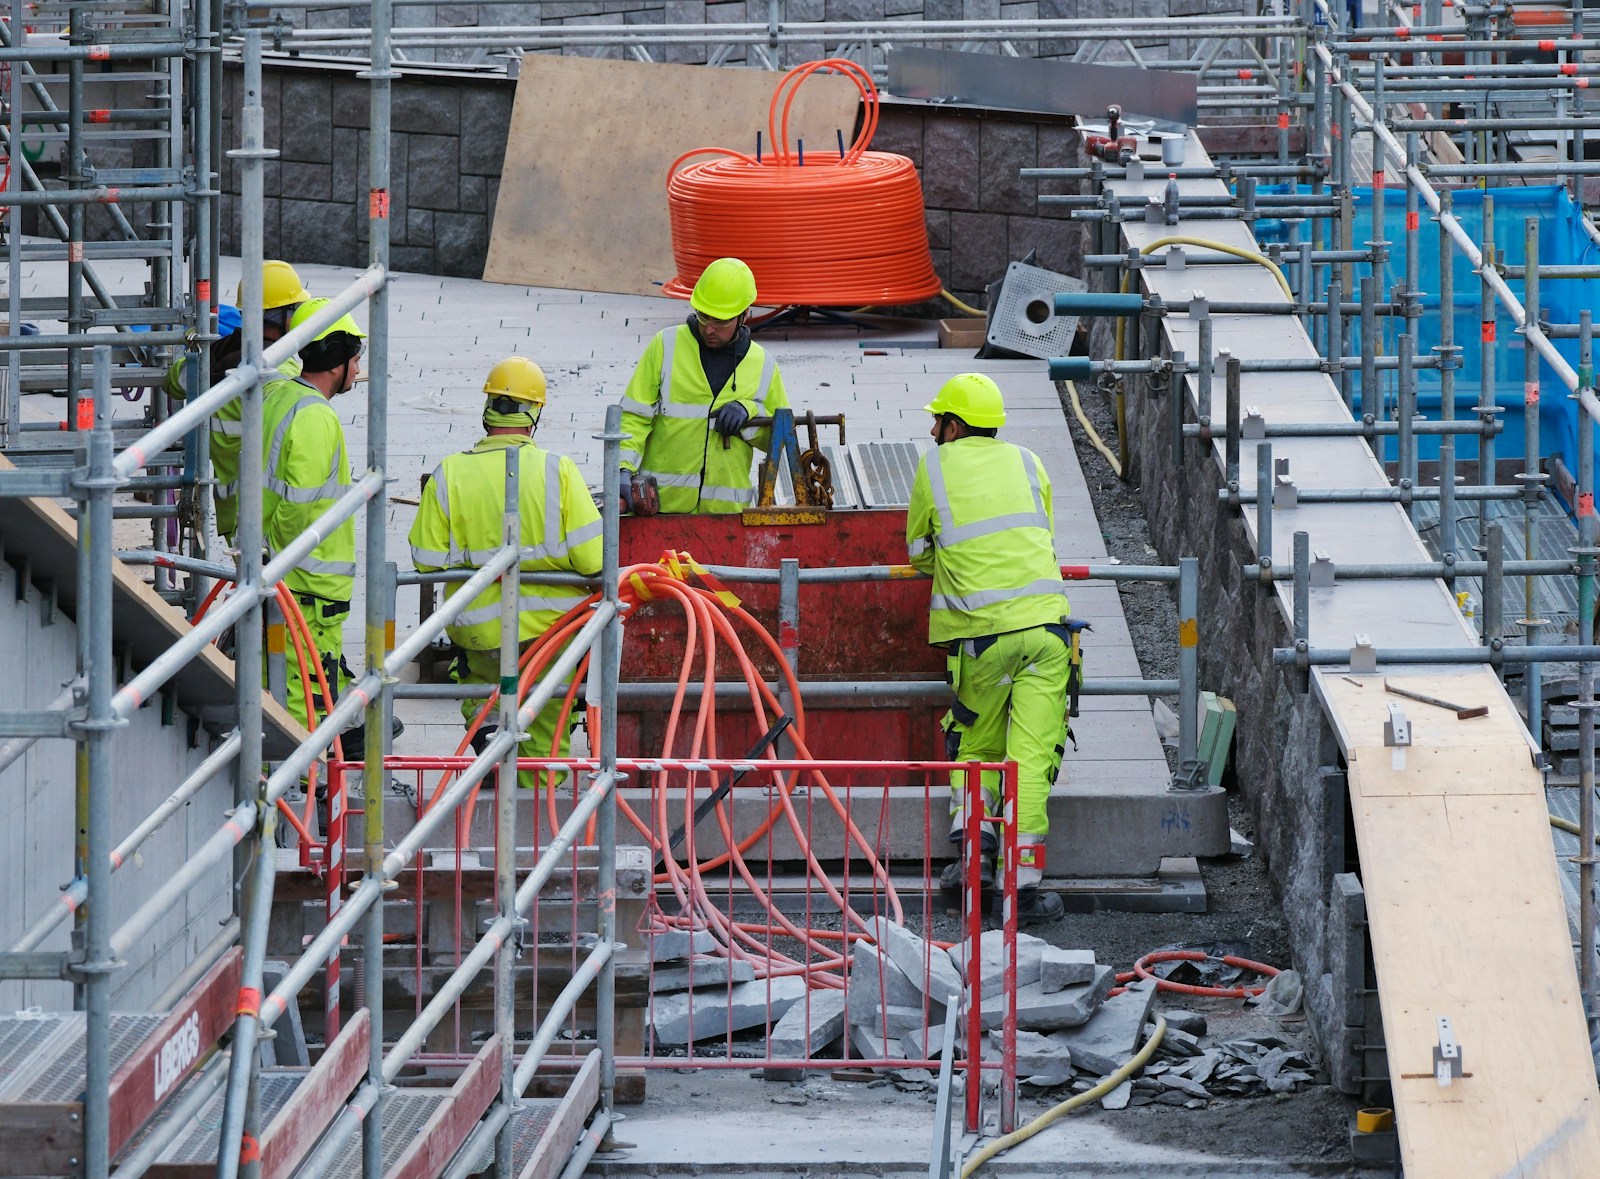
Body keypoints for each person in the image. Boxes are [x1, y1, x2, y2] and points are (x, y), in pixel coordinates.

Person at [907, 373, 1071, 925]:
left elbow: (917, 551)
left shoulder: (934, 466)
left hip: (980, 639)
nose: (933, 430)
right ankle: (1020, 890)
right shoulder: (1030, 461)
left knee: (974, 747)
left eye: (938, 421)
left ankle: (975, 864)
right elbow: (1043, 537)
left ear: (953, 426)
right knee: (1030, 757)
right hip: (1048, 635)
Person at [408, 357, 603, 790]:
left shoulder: (449, 473)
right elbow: (594, 562)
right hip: (549, 636)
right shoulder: (559, 471)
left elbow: (425, 558)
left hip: (477, 632)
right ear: (536, 414)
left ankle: (492, 746)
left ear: (487, 411)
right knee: (544, 734)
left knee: (483, 696)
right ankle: (529, 821)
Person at [617, 257, 789, 514]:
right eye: (703, 316)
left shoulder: (763, 364)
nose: (709, 329)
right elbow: (634, 416)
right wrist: (622, 468)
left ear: (745, 315)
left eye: (720, 322)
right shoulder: (665, 346)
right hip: (662, 507)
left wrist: (748, 412)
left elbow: (779, 439)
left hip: (726, 516)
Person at [260, 297, 361, 733]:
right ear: (336, 360)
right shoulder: (318, 417)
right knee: (308, 699)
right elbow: (297, 509)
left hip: (289, 581)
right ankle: (301, 787)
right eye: (354, 359)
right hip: (310, 591)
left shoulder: (281, 396)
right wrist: (283, 557)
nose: (357, 370)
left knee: (281, 687)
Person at [166, 259, 314, 542]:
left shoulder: (215, 356)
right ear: (278, 316)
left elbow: (173, 382)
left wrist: (198, 352)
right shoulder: (279, 371)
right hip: (272, 511)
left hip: (234, 507)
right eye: (293, 310)